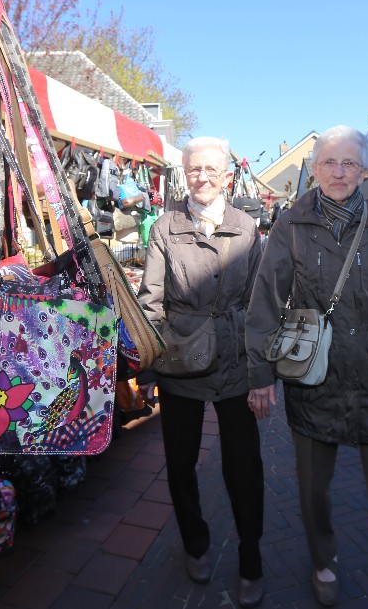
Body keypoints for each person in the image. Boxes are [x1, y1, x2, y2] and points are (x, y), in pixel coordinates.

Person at [245, 125, 368, 608]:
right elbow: (265, 303)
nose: (339, 172)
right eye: (329, 162)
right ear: (314, 170)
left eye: (349, 163)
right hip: (315, 380)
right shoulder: (290, 225)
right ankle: (323, 562)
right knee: (313, 493)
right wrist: (261, 375)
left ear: (364, 171)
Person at [136, 137, 266, 607]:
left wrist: (262, 374)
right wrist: (148, 368)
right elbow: (150, 302)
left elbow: (259, 305)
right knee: (180, 462)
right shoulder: (165, 226)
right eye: (195, 169)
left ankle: (250, 556)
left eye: (212, 169)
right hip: (181, 358)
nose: (203, 177)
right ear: (184, 174)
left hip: (234, 358)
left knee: (244, 465)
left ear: (227, 176)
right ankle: (195, 543)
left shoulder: (247, 228)